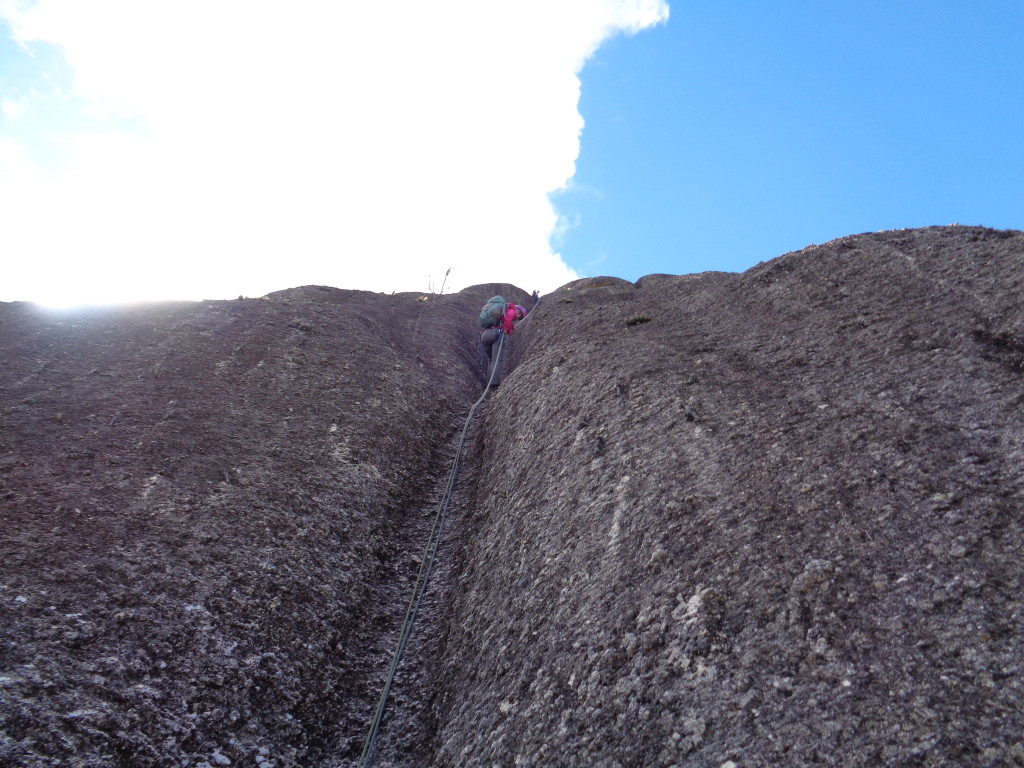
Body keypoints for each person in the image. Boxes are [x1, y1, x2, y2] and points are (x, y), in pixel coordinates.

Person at [480, 302, 524, 386]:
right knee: (496, 360)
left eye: (519, 317)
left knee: (491, 360)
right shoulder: (512, 311)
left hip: (484, 336)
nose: (517, 316)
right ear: (516, 309)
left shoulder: (499, 314)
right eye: (519, 313)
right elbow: (508, 319)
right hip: (496, 334)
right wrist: (506, 329)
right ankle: (494, 384)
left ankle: (488, 383)